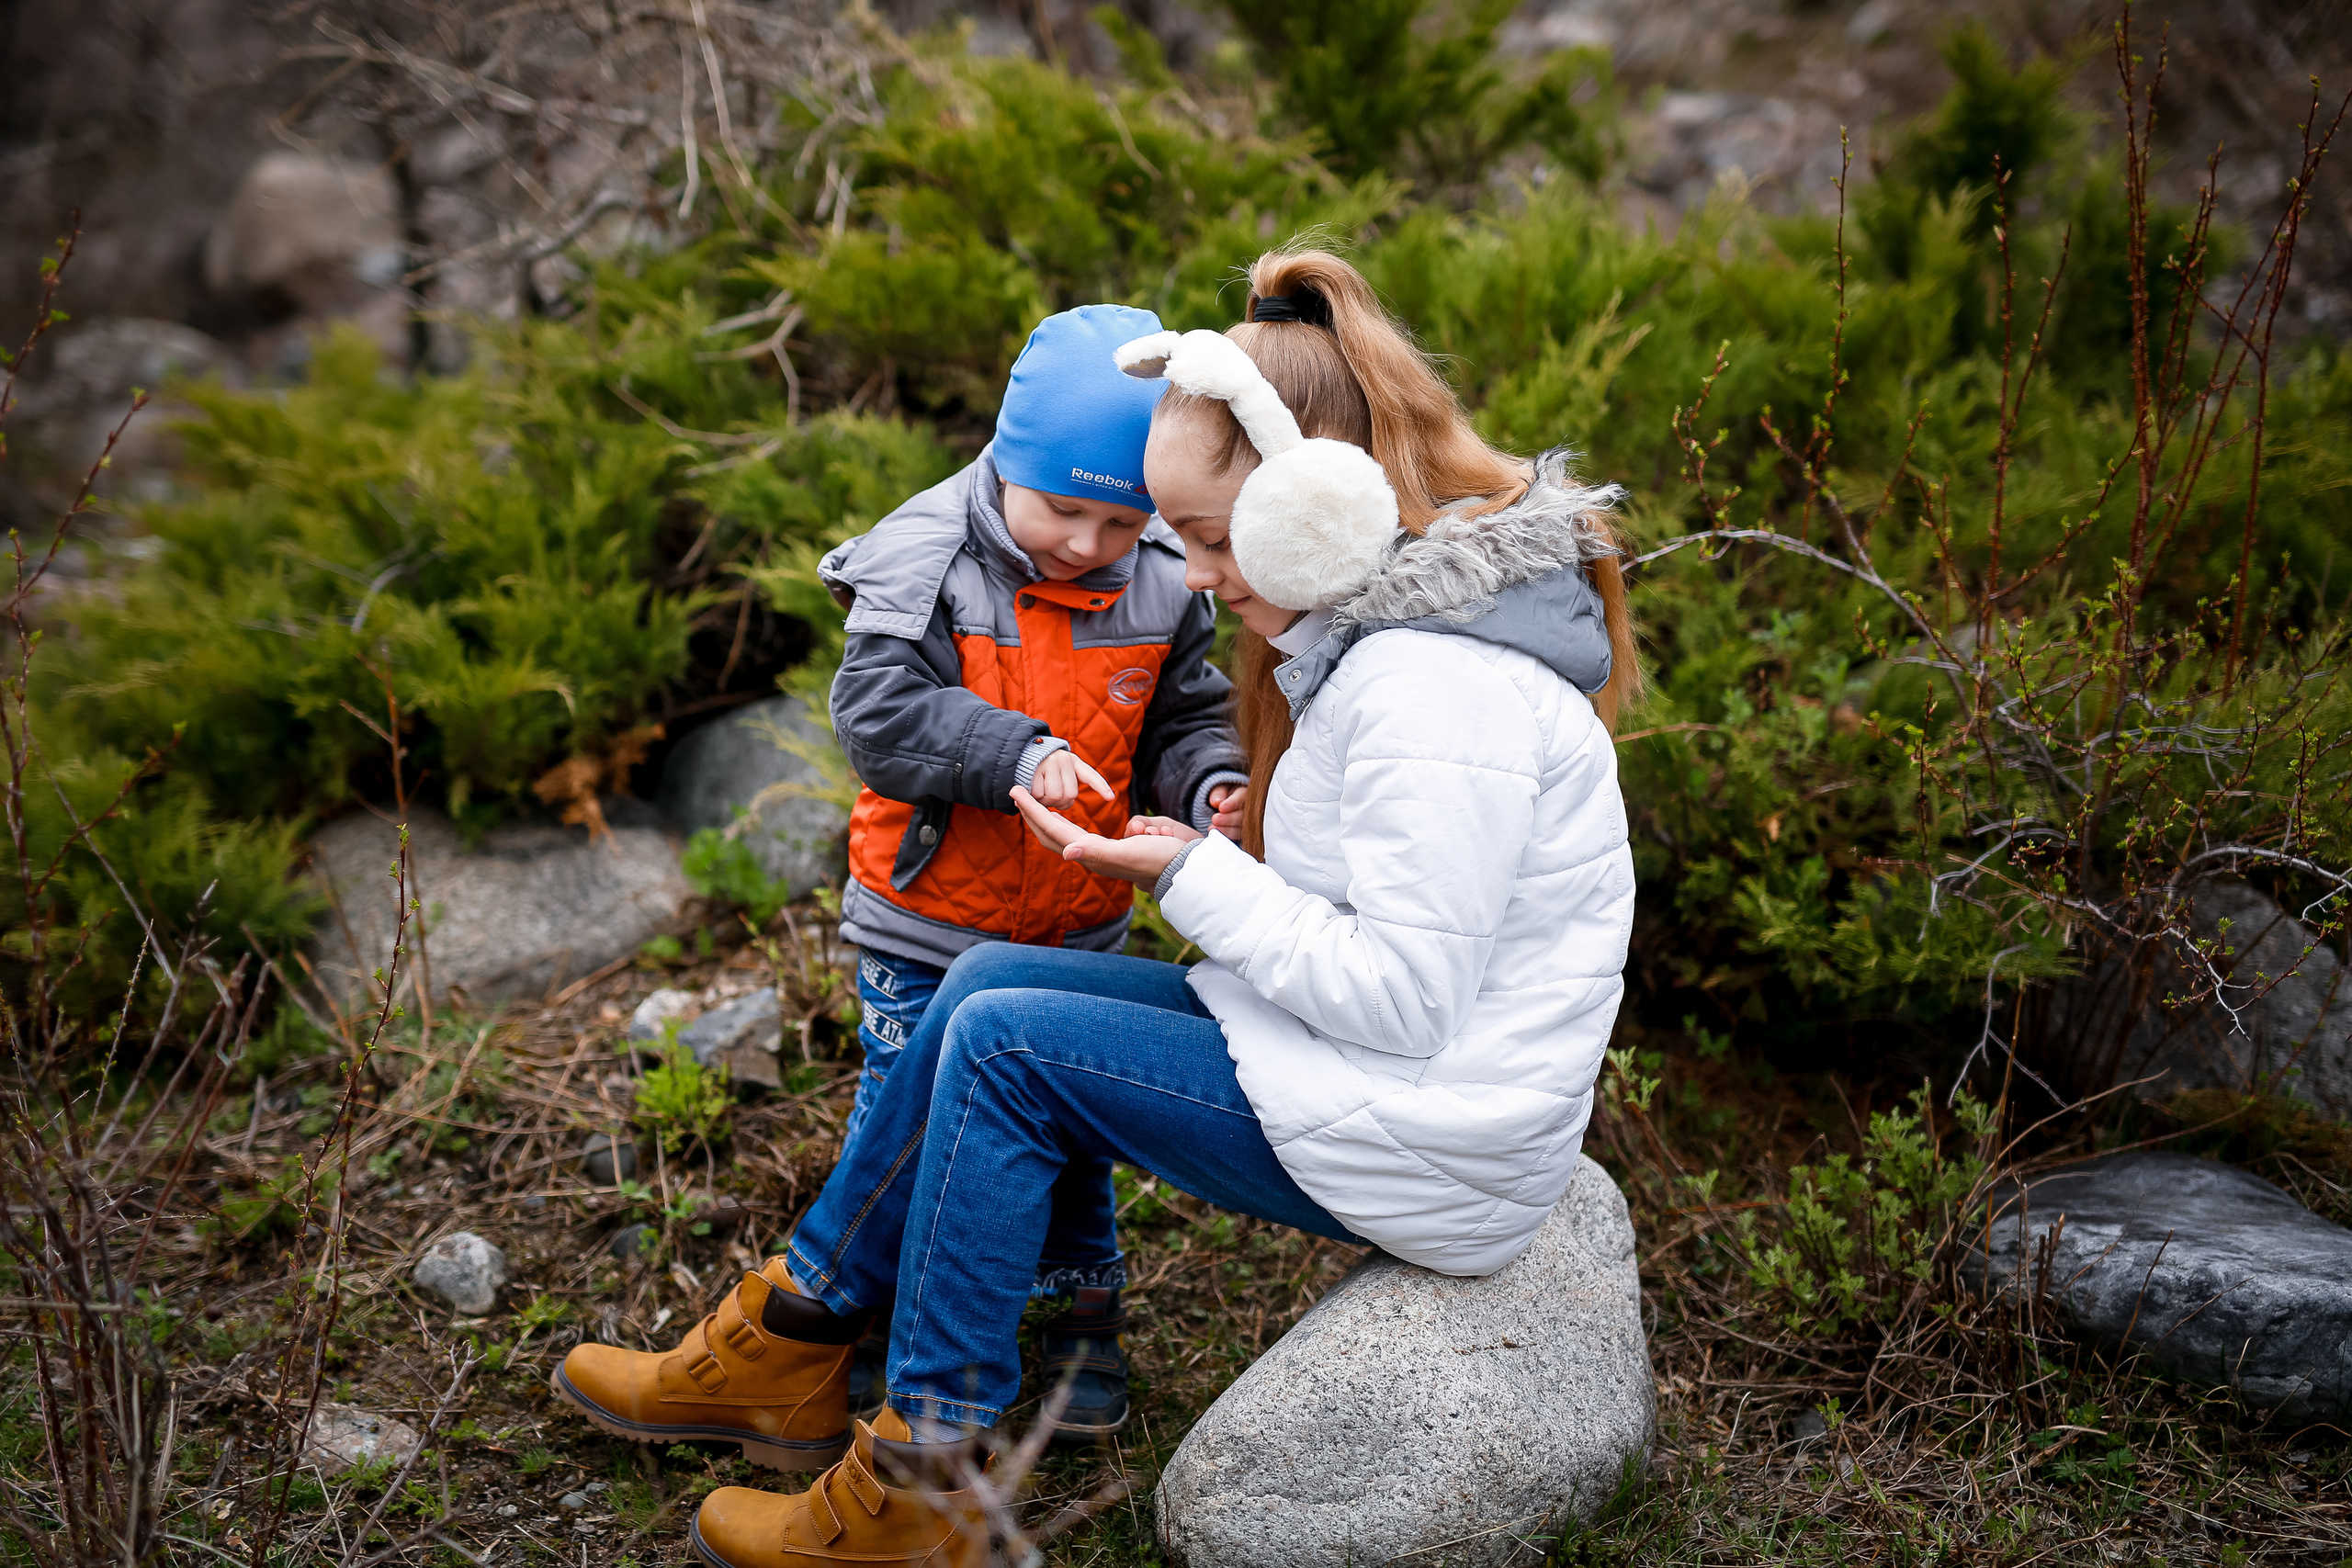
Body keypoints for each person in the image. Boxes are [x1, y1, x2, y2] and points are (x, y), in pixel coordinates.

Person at [552, 248, 1639, 1568]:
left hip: (1435, 1135)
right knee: (982, 982)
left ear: (1324, 504)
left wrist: (1187, 875)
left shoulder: (1432, 690)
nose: (1193, 574)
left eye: (1216, 539)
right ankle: (790, 1335)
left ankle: (919, 1478)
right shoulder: (1387, 649)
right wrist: (1204, 843)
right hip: (1385, 1078)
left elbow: (1404, 1001)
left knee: (1007, 1047)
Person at [824, 302, 1251, 1427]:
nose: (1088, 544)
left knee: (1066, 1124)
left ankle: (1078, 1326)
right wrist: (1013, 748)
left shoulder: (1162, 574)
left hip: (1072, 922)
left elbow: (1182, 717)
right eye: (1063, 509)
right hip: (930, 923)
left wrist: (1210, 786)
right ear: (1009, 459)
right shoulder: (925, 557)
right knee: (907, 1122)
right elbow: (876, 715)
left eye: (1121, 521)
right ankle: (869, 1317)